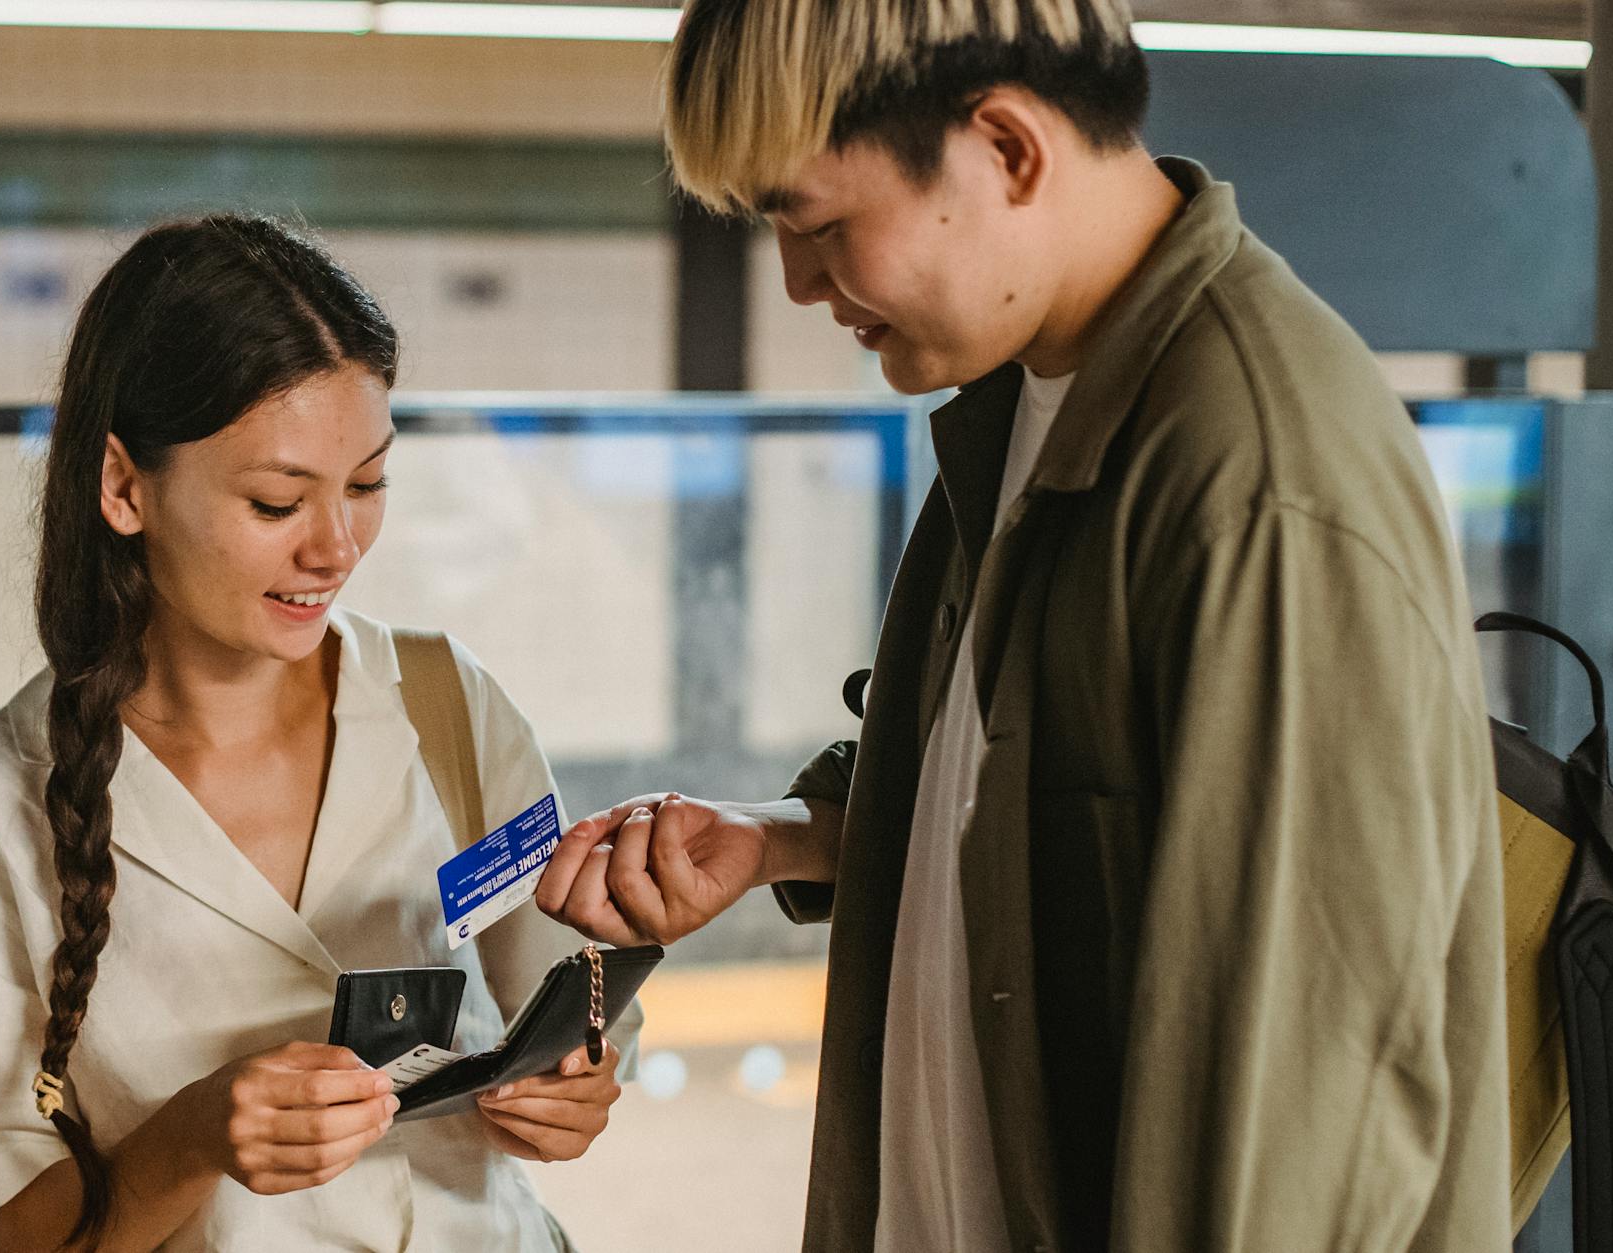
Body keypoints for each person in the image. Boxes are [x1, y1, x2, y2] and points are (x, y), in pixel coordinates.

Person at [538, 0, 1508, 1248]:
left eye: (821, 223)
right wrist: (789, 838)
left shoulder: (1251, 477)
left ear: (1005, 148)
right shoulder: (1023, 399)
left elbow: (1289, 1120)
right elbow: (1042, 808)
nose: (798, 282)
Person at [0, 215, 631, 1252]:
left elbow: (565, 991)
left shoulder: (447, 706)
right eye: (277, 500)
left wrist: (579, 1078)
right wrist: (191, 1135)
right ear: (121, 485)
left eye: (367, 484)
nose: (336, 547)